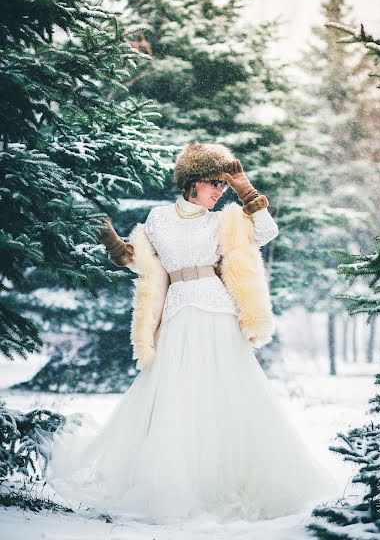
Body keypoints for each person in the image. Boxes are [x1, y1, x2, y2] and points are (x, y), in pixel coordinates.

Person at [44, 142, 339, 524]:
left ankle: (232, 480)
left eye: (222, 185)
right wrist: (114, 244)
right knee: (175, 395)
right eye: (213, 183)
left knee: (227, 391)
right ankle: (175, 482)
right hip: (177, 313)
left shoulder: (225, 220)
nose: (219, 191)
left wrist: (244, 188)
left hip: (218, 312)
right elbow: (140, 260)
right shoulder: (159, 217)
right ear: (192, 183)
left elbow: (266, 231)